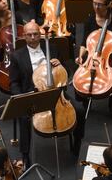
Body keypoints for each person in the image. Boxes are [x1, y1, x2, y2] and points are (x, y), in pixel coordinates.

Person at [9, 20, 85, 168]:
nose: (33, 37)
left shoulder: (52, 48)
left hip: (56, 93)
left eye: (36, 34)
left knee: (80, 110)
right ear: (24, 36)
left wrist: (61, 65)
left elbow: (66, 73)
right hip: (32, 95)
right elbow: (14, 83)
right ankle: (25, 155)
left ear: (40, 34)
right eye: (29, 35)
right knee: (24, 118)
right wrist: (21, 98)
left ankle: (78, 144)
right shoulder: (17, 56)